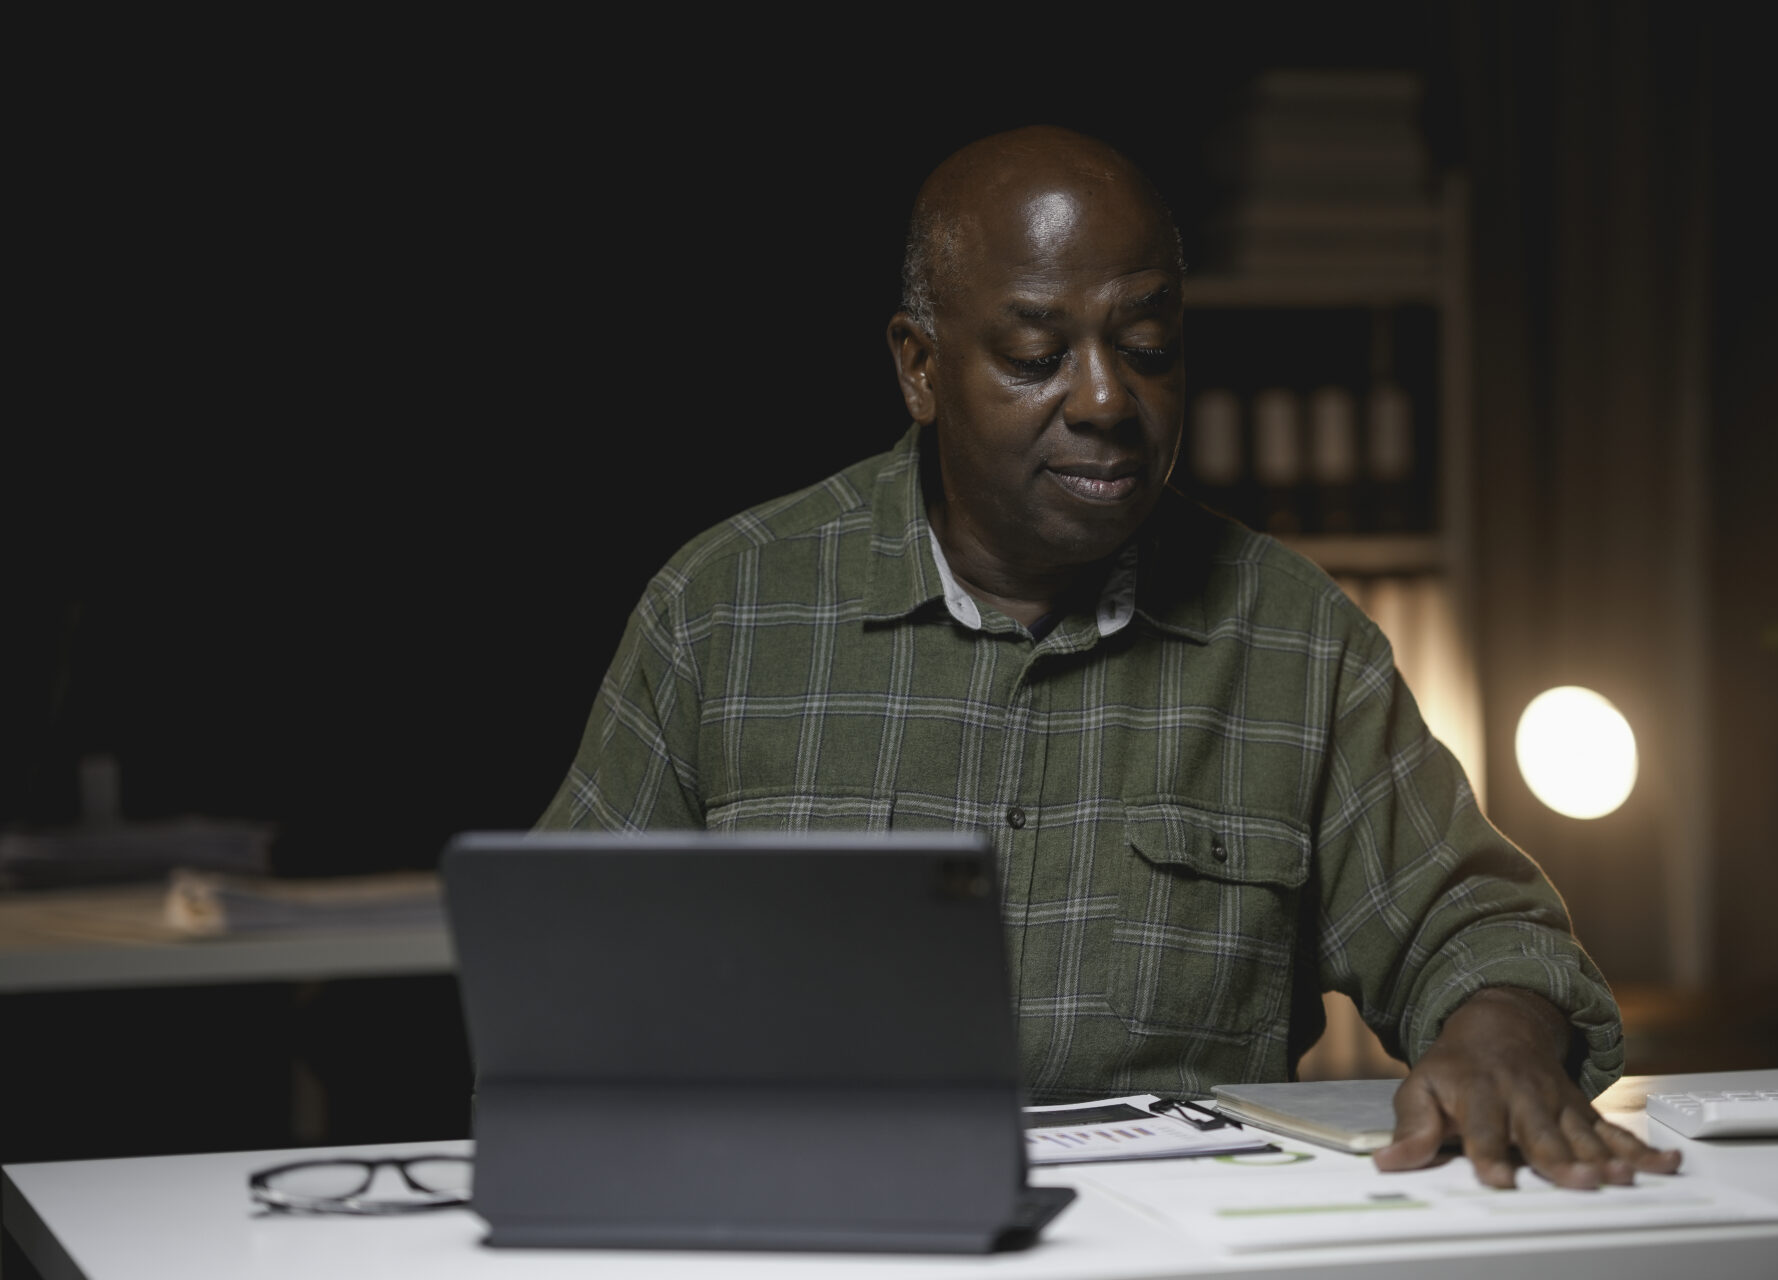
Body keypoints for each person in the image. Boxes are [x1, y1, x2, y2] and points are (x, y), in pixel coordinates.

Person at [537, 125, 1681, 1191]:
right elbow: (559, 972)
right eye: (1038, 354)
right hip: (807, 1230)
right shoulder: (725, 612)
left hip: (1181, 1244)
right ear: (920, 367)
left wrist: (1499, 1031)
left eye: (1148, 347)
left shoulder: (1295, 638)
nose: (1105, 399)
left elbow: (1480, 928)